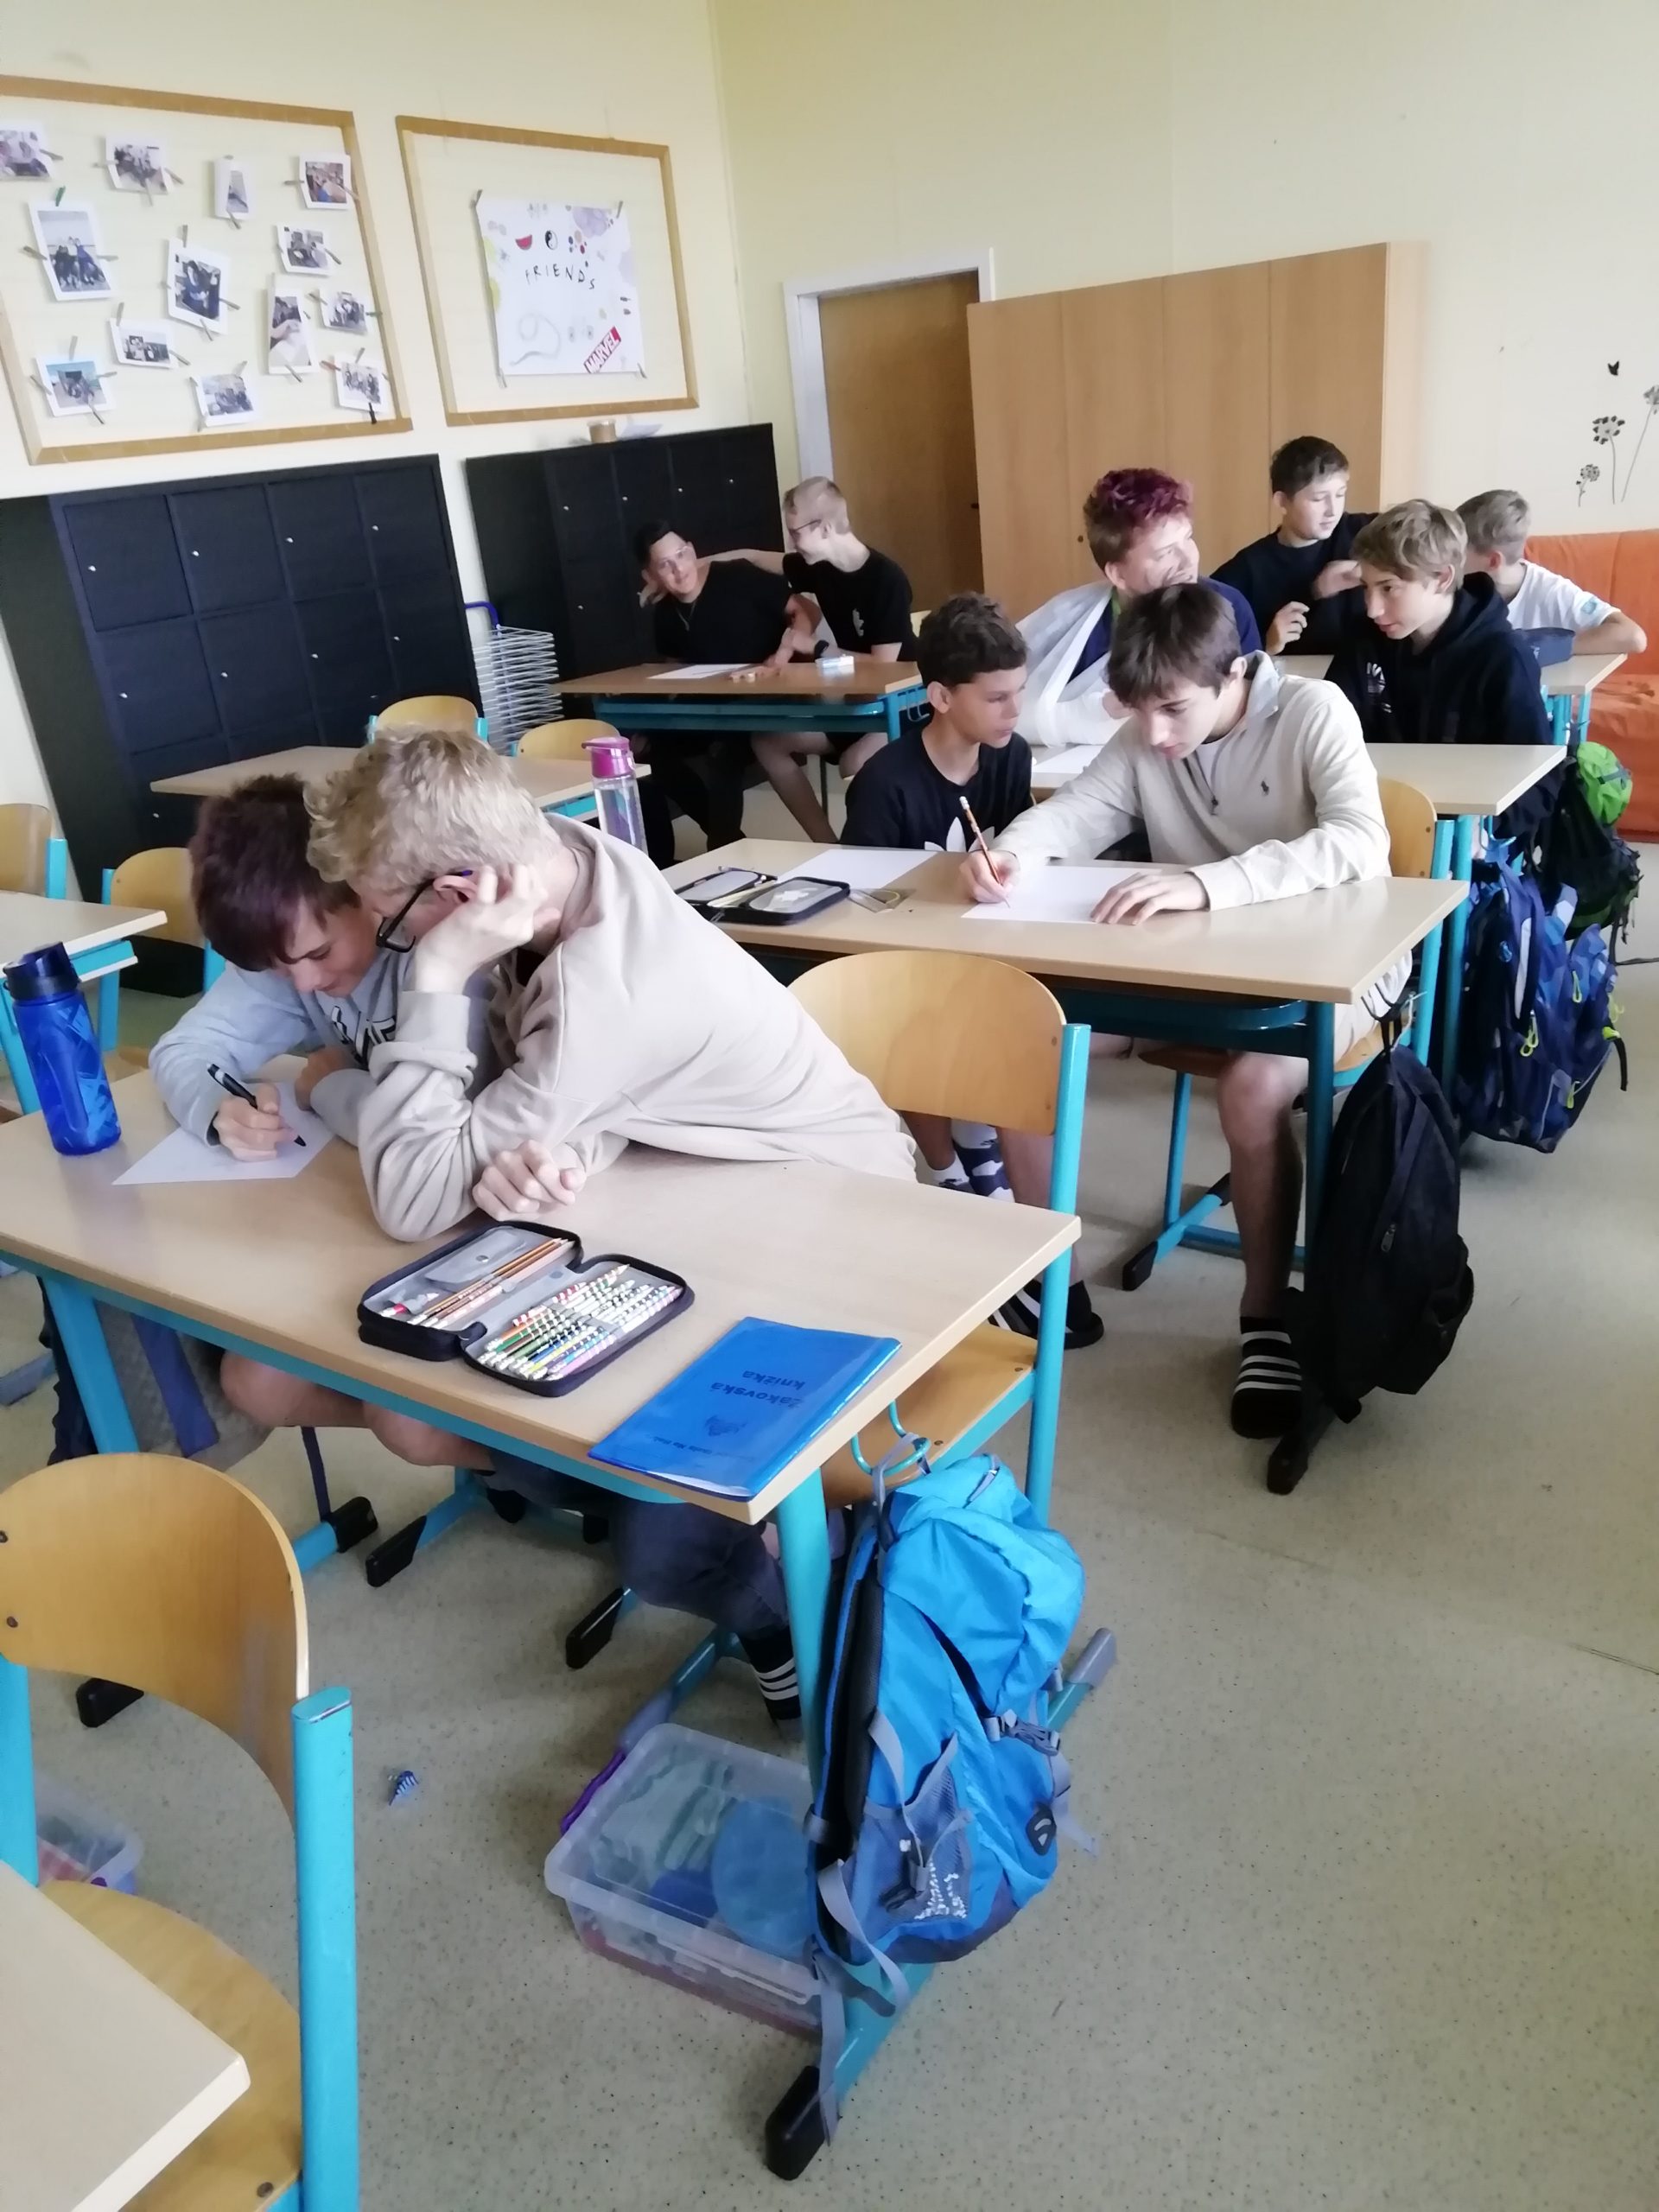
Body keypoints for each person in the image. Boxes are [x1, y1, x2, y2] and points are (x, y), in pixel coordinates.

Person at [302, 728, 918, 1726]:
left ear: (464, 894)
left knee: (650, 1494)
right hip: (707, 1182)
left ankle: (783, 1600)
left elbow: (412, 1199)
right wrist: (566, 1137)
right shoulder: (559, 855)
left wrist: (435, 981)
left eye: (395, 926)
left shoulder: (602, 988)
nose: (392, 946)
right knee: (497, 1370)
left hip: (850, 1219)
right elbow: (522, 1110)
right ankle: (717, 1535)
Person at [964, 584, 1402, 1438]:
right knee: (1023, 1045)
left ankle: (1265, 1315)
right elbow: (1076, 814)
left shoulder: (1314, 711)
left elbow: (1361, 840)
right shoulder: (1146, 735)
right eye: (1141, 713)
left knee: (1251, 1088)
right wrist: (1009, 856)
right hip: (1196, 971)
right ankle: (1055, 1282)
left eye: (1173, 710)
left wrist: (1209, 883)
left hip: (1335, 970)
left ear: (1233, 674)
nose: (1157, 735)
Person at [148, 772, 494, 1451]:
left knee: (411, 1425)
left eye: (318, 954)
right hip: (369, 1214)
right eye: (282, 971)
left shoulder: (441, 947)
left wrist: (332, 1091)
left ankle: (529, 1469)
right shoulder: (293, 949)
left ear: (365, 890)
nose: (306, 984)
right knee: (255, 1382)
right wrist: (217, 1107)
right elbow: (184, 1049)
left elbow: (450, 1135)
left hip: (470, 1216)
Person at [842, 593, 1102, 1350]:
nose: (1016, 711)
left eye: (1020, 692)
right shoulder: (885, 783)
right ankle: (956, 1176)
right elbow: (864, 912)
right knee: (920, 1029)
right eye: (997, 698)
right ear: (940, 697)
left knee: (1025, 1038)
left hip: (990, 953)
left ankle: (999, 1195)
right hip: (905, 969)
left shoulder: (1009, 755)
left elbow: (1020, 846)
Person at [1326, 500, 1559, 839]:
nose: (1372, 608)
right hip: (1373, 821)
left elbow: (1540, 784)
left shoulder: (1503, 656)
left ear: (1442, 578)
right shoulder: (1363, 639)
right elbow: (1329, 731)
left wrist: (1484, 832)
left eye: (1389, 588)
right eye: (1366, 587)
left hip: (1462, 838)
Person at [706, 477, 915, 840]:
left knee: (855, 762)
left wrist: (816, 647)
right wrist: (693, 565)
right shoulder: (819, 568)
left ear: (825, 528)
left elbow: (885, 666)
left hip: (906, 703)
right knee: (767, 741)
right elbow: (752, 557)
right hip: (857, 702)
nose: (792, 543)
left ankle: (873, 845)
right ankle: (827, 844)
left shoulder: (886, 579)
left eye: (795, 533)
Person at [1015, 468, 1262, 752]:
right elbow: (1003, 712)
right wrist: (1090, 714)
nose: (1188, 560)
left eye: (1188, 538)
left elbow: (1252, 720)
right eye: (1165, 552)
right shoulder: (1069, 622)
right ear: (1118, 574)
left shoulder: (1230, 609)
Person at [634, 519, 817, 865]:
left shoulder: (737, 577)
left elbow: (806, 611)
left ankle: (722, 848)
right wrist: (651, 724)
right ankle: (724, 841)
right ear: (650, 575)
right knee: (652, 751)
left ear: (693, 550)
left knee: (723, 750)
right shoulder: (665, 613)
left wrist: (781, 656)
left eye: (682, 555)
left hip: (770, 698)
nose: (679, 569)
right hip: (715, 707)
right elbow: (674, 673)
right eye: (665, 564)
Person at [1214, 435, 1373, 655]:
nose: (1332, 510)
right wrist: (1265, 645)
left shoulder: (1365, 532)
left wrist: (1366, 571)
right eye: (1318, 499)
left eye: (1340, 495)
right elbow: (1203, 646)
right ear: (1282, 502)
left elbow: (1423, 537)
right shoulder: (1248, 569)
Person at [1456, 488, 1648, 657]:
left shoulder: (1551, 591)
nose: (1449, 562)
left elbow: (1633, 636)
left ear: (1493, 561)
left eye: (1457, 553)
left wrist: (1550, 648)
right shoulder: (1455, 588)